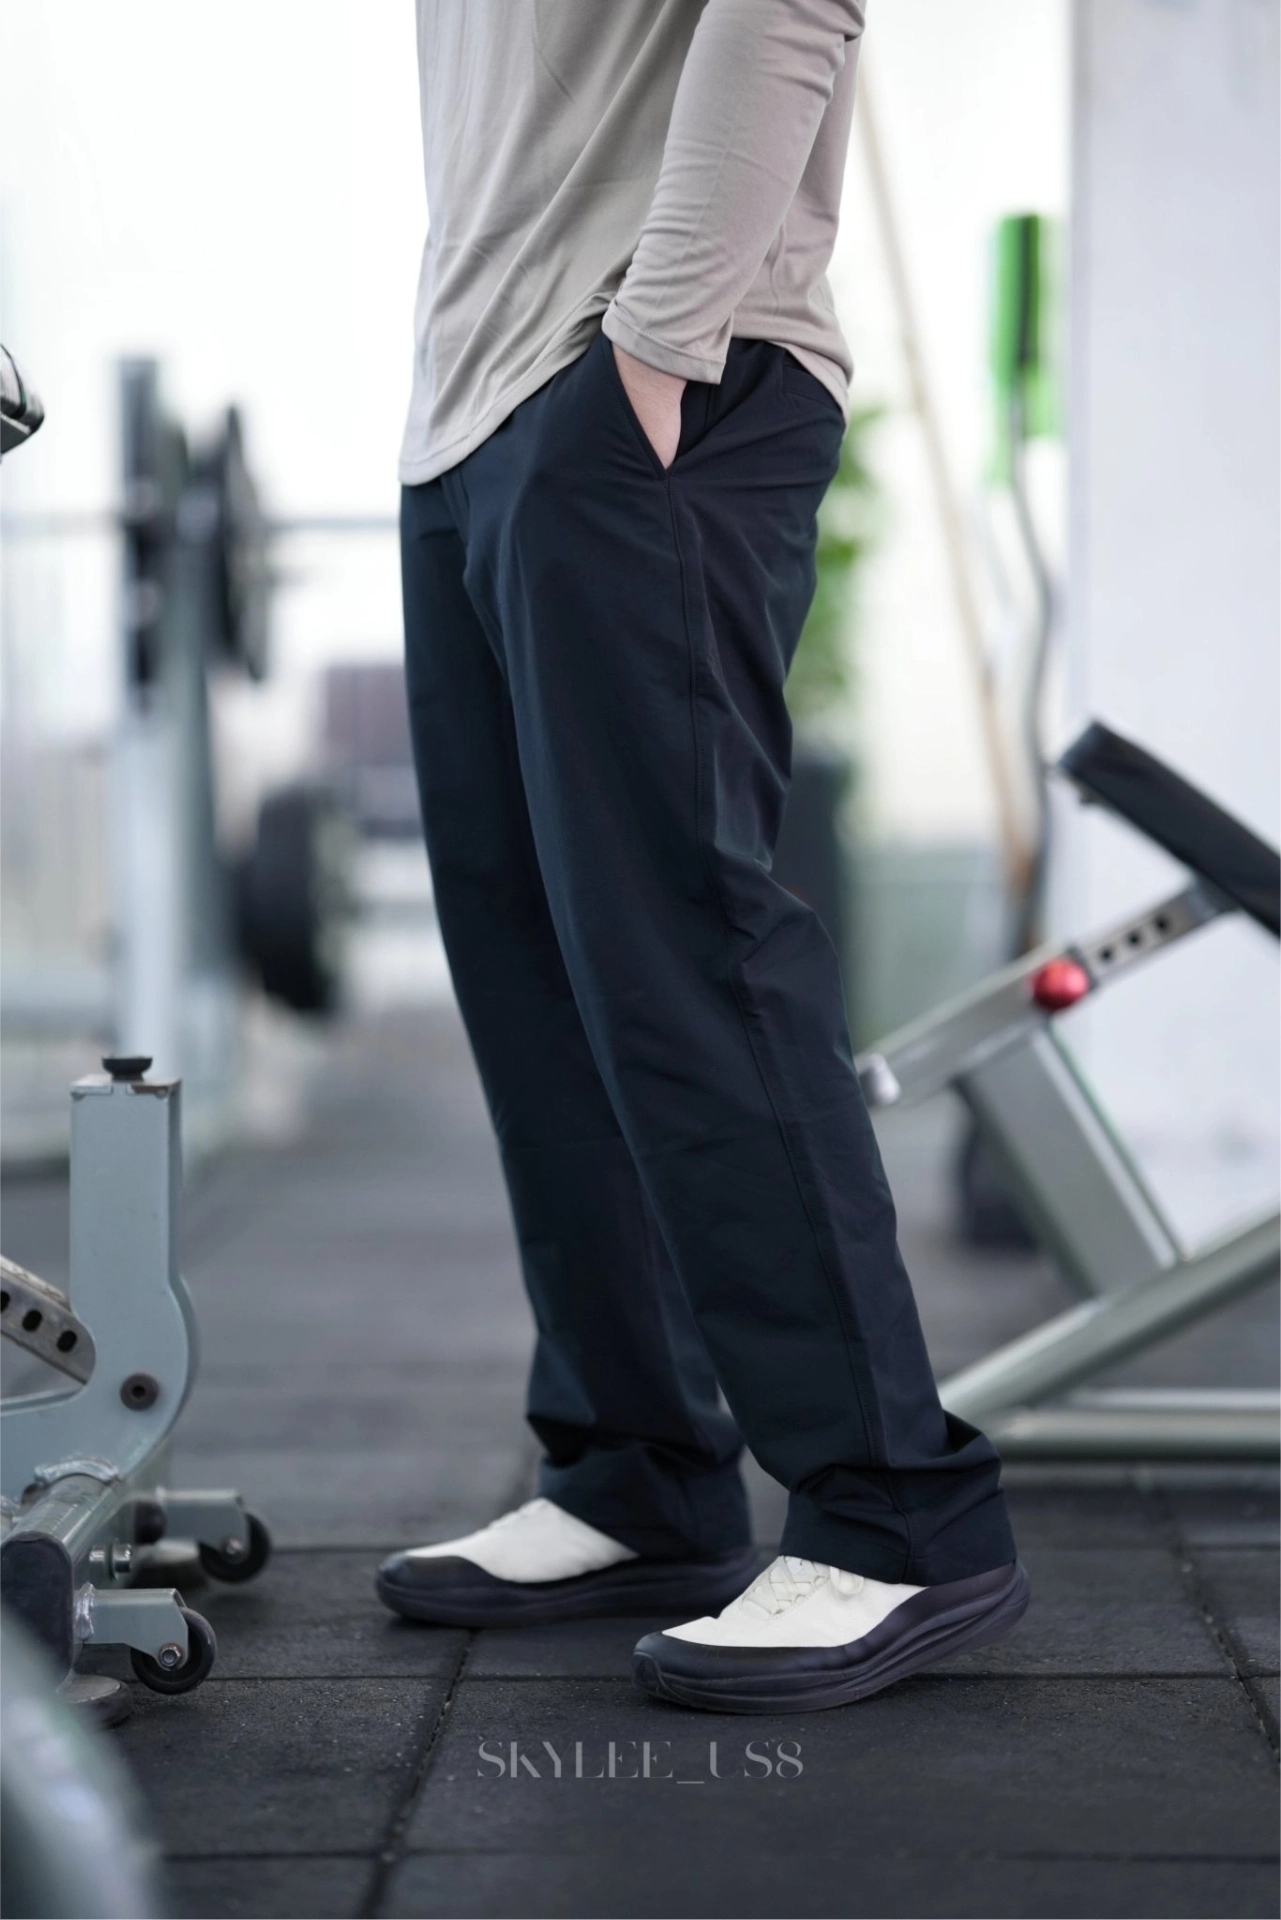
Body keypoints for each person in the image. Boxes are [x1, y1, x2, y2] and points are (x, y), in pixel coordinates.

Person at [376, 0, 1029, 1713]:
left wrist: (658, 344)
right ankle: (640, 1466)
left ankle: (898, 1514)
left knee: (684, 954)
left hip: (644, 382)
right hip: (473, 413)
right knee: (536, 971)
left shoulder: (650, 369)